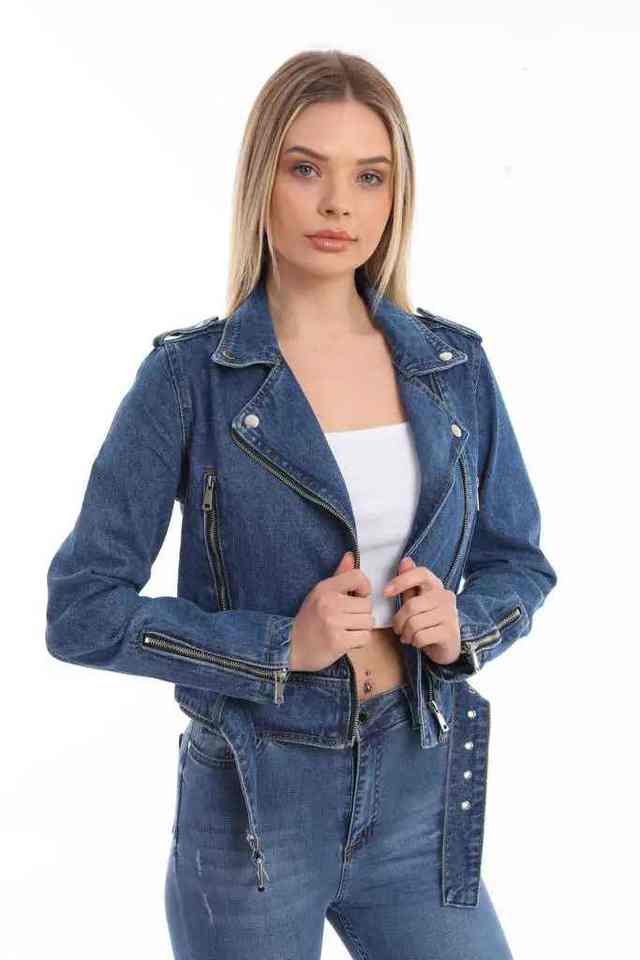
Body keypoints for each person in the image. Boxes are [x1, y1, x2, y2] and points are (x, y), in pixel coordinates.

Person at [46, 49, 557, 959]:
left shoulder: (453, 369)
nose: (338, 206)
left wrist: (462, 626)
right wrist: (279, 646)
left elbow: (520, 563)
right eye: (306, 169)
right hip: (253, 808)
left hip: (419, 789)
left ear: (397, 196)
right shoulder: (189, 379)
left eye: (370, 176)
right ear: (262, 181)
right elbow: (81, 610)